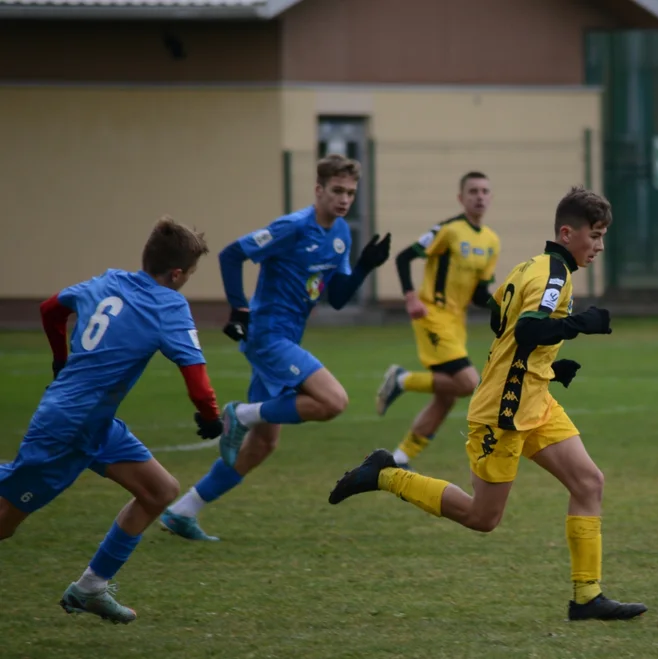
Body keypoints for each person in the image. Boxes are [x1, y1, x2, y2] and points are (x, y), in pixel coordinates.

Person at [329, 186, 647, 621]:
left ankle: (587, 598)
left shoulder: (528, 267)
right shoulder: (554, 276)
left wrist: (550, 367)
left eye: (603, 236)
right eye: (594, 235)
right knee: (483, 517)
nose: (599, 246)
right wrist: (581, 324)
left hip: (535, 399)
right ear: (567, 232)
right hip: (505, 410)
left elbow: (501, 318)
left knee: (589, 483)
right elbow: (526, 332)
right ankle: (386, 474)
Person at [0, 217, 223, 624]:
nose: (187, 282)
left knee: (159, 490)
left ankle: (89, 588)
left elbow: (50, 309)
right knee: (4, 523)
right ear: (176, 273)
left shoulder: (108, 282)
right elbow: (198, 381)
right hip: (67, 429)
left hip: (95, 424)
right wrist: (210, 417)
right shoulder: (168, 303)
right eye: (189, 274)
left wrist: (60, 359)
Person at [161, 154, 391, 541]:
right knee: (334, 400)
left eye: (350, 193)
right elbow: (233, 254)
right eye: (337, 190)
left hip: (286, 339)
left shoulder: (340, 235)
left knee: (263, 444)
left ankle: (183, 512)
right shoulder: (294, 227)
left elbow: (335, 297)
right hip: (268, 335)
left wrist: (366, 266)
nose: (345, 199)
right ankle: (241, 414)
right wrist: (239, 307)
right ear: (318, 190)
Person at [376, 171, 500, 470]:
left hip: (457, 323)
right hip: (432, 315)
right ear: (461, 198)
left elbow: (480, 293)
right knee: (469, 383)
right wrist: (410, 298)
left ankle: (399, 458)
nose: (480, 196)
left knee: (446, 398)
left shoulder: (492, 241)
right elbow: (404, 257)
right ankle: (402, 379)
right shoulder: (449, 230)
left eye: (484, 191)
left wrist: (504, 307)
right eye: (473, 191)